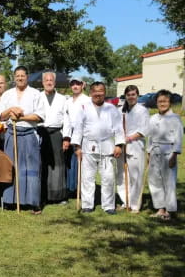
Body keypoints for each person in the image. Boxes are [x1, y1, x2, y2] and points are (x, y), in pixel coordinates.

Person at [71, 82, 124, 214]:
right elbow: (78, 128)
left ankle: (109, 206)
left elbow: (118, 128)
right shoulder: (83, 108)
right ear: (91, 93)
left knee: (108, 177)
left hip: (107, 146)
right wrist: (77, 147)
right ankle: (87, 205)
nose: (98, 94)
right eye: (95, 91)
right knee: (87, 177)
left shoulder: (112, 109)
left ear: (105, 93)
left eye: (101, 91)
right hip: (88, 146)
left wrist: (119, 144)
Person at [0, 66, 45, 214]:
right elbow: (0, 116)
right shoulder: (7, 94)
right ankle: (10, 200)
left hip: (29, 134)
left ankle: (33, 202)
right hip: (12, 134)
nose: (19, 78)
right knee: (11, 167)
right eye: (17, 76)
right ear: (14, 77)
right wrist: (11, 109)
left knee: (31, 169)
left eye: (22, 76)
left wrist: (21, 116)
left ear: (27, 77)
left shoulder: (35, 94)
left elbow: (39, 116)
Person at [147, 89, 182, 220]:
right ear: (156, 103)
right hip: (155, 151)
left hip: (168, 152)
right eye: (160, 101)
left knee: (169, 182)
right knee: (155, 180)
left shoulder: (175, 118)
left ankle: (169, 209)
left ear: (170, 102)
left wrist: (174, 154)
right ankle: (160, 208)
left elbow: (178, 138)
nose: (162, 104)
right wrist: (148, 152)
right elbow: (150, 137)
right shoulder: (153, 118)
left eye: (165, 101)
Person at [116, 85, 149, 213]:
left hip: (135, 146)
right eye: (128, 95)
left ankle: (135, 204)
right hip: (121, 146)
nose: (131, 97)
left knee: (136, 176)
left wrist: (128, 139)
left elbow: (143, 130)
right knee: (122, 175)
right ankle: (126, 201)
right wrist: (120, 140)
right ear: (125, 96)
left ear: (137, 96)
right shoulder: (120, 110)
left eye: (133, 94)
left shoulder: (142, 110)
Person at [37, 72, 68, 204]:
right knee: (42, 164)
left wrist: (66, 138)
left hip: (56, 134)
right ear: (43, 82)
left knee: (58, 165)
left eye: (51, 80)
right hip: (41, 132)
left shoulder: (62, 99)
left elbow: (67, 120)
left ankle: (59, 196)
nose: (49, 82)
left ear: (54, 83)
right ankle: (42, 196)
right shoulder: (37, 97)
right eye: (46, 80)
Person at [62, 77, 90, 196]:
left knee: (82, 161)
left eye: (77, 84)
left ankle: (82, 188)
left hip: (83, 133)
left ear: (82, 85)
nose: (75, 86)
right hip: (70, 132)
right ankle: (71, 187)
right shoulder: (67, 101)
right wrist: (66, 137)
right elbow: (66, 119)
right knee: (70, 161)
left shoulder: (87, 100)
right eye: (73, 84)